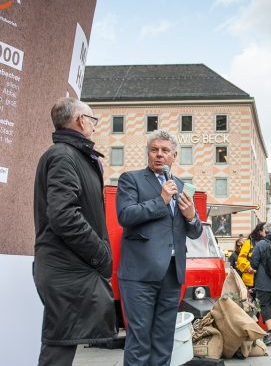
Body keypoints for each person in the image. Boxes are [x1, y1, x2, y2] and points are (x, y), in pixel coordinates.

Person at [33, 98, 115, 366]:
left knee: (62, 346)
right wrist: (101, 255)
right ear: (81, 121)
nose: (94, 126)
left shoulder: (71, 155)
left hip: (68, 268)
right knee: (58, 350)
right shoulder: (64, 156)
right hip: (66, 269)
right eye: (93, 120)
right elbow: (64, 215)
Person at [116, 130, 202, 366]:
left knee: (164, 339)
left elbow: (194, 232)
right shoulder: (130, 179)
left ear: (174, 155)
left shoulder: (183, 186)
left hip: (172, 274)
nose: (159, 155)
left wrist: (191, 215)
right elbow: (125, 215)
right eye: (154, 150)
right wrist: (161, 200)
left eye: (165, 151)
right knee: (139, 338)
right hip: (139, 275)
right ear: (148, 153)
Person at [237, 222, 266, 291]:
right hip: (250, 279)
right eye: (265, 230)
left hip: (264, 280)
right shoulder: (249, 243)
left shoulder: (268, 242)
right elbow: (241, 258)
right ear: (260, 232)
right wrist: (248, 267)